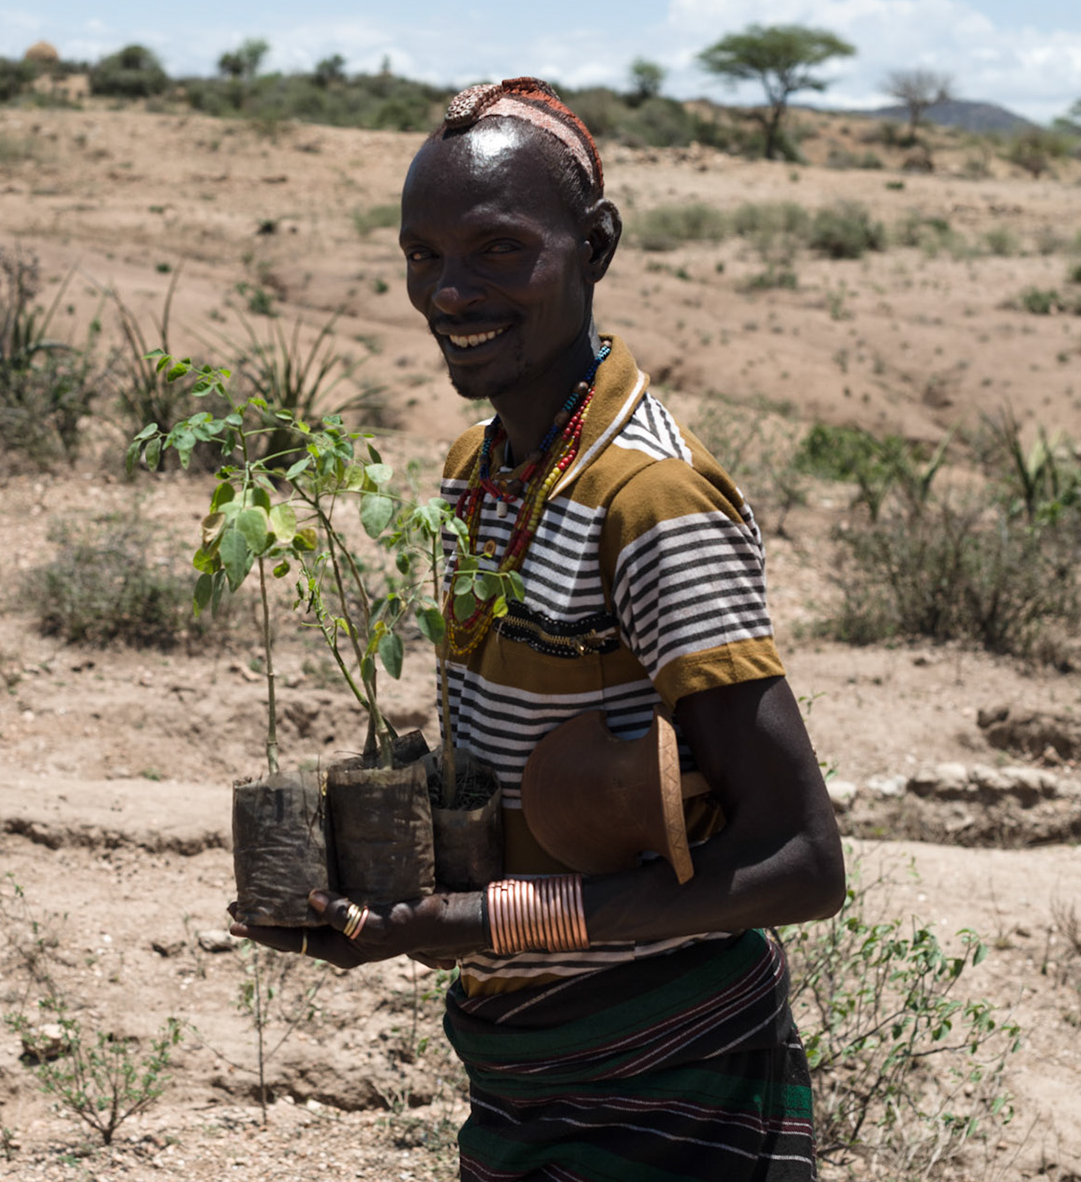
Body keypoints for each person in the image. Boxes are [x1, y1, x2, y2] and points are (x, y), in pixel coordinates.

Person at [230, 78, 845, 1181]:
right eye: (422, 255)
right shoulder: (477, 473)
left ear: (594, 246)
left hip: (669, 1067)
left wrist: (479, 921)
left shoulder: (651, 499)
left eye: (499, 249)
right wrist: (377, 887)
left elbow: (799, 861)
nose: (451, 291)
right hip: (520, 1061)